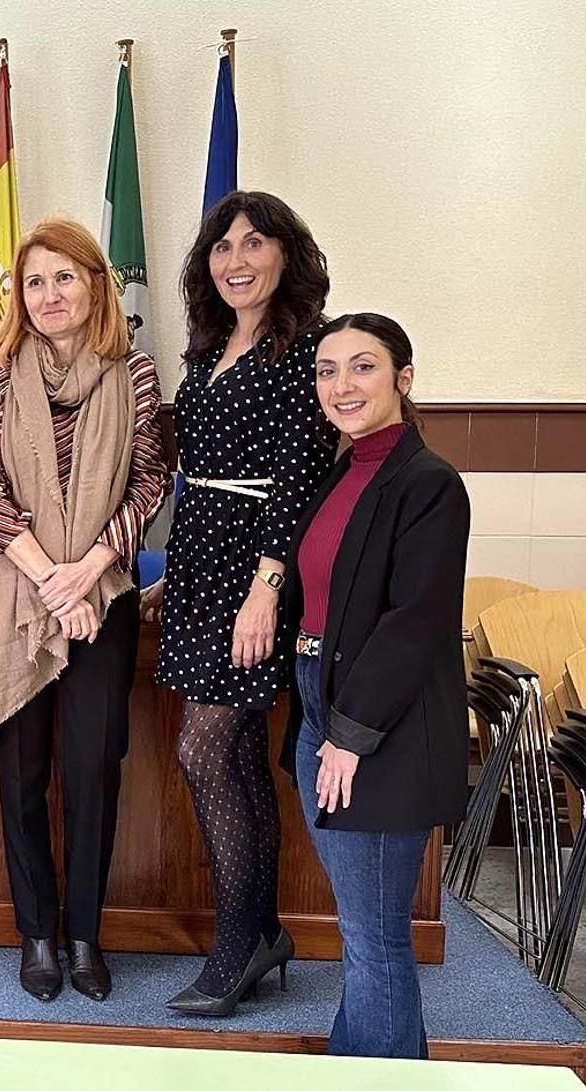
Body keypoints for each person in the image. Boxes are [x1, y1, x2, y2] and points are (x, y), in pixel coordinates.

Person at [0, 218, 168, 1002]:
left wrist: (90, 572)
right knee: (21, 773)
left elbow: (150, 481)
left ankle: (85, 934)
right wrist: (52, 578)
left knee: (92, 768)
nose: (49, 295)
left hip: (102, 593)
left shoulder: (136, 375)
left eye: (65, 278)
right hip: (19, 589)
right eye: (35, 281)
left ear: (94, 285)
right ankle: (36, 933)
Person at [154, 191, 337, 1015]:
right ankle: (261, 930)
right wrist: (174, 572)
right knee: (231, 759)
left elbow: (298, 475)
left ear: (285, 256)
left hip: (254, 572)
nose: (235, 259)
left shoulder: (307, 352)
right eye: (222, 247)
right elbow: (199, 474)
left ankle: (240, 942)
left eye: (253, 243)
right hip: (201, 562)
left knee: (204, 748)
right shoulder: (210, 350)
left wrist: (267, 586)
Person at [283, 313, 468, 1057]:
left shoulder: (429, 484)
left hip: (374, 727)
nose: (342, 384)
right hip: (317, 703)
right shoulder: (345, 468)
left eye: (362, 366)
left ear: (404, 378)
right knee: (366, 936)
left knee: (376, 941)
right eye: (328, 370)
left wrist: (348, 737)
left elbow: (412, 623)